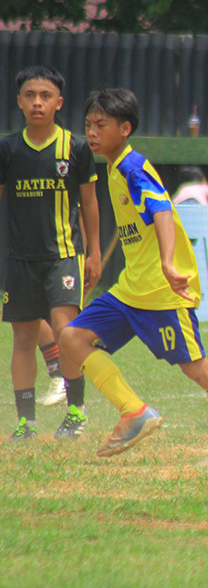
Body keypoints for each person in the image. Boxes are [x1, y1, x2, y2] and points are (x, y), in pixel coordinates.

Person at [59, 88, 208, 460]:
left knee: (196, 368)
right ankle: (133, 411)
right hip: (130, 291)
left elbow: (163, 211)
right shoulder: (113, 165)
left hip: (160, 292)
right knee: (73, 337)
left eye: (100, 125)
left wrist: (169, 263)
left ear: (124, 129)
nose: (91, 132)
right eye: (88, 125)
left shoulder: (131, 166)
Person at [0, 66, 101, 441]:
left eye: (45, 96)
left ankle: (76, 412)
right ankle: (26, 423)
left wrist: (93, 254)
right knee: (23, 339)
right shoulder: (8, 148)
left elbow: (89, 204)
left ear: (58, 102)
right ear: (19, 102)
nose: (37, 102)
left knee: (65, 331)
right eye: (30, 95)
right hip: (19, 259)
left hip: (64, 256)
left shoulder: (75, 147)